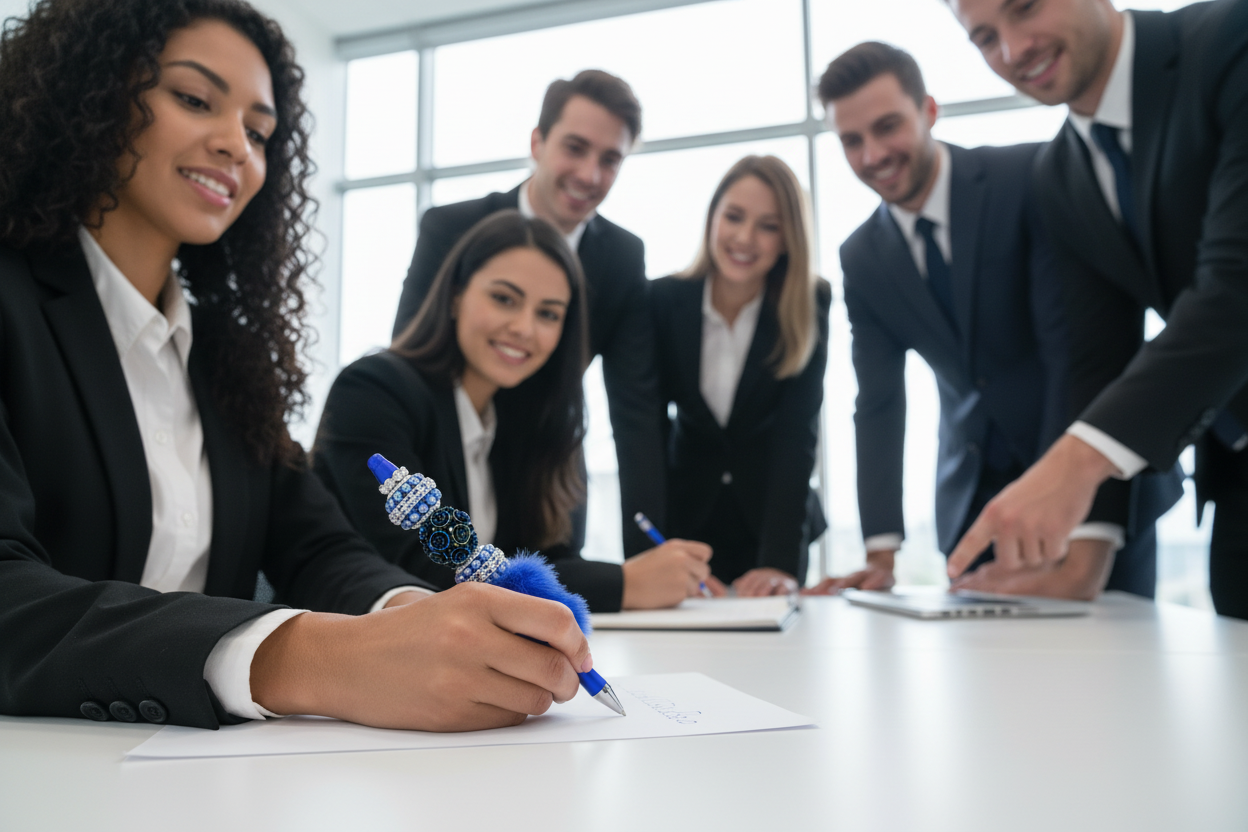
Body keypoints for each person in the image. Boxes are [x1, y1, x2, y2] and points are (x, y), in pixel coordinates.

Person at [0, 0, 594, 733]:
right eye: (194, 99)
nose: (236, 147)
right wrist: (306, 657)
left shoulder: (226, 356)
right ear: (88, 94)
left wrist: (417, 617)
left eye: (259, 133)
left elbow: (315, 544)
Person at [806, 42, 1180, 599]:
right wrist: (882, 552)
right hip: (974, 510)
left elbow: (1078, 350)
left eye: (888, 127)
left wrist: (1084, 533)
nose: (873, 154)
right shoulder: (862, 255)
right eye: (851, 141)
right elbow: (879, 401)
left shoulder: (1029, 176)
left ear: (928, 111)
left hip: (1089, 497)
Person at [943, 0, 1248, 618]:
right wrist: (1086, 554)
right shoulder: (1060, 174)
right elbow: (1098, 359)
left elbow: (1237, 284)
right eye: (984, 38)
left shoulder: (1230, 40)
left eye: (1024, 8)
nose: (1012, 49)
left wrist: (1073, 464)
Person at [313, 210, 712, 611]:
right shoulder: (373, 391)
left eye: (548, 314)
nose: (524, 328)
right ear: (455, 295)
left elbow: (546, 559)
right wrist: (624, 583)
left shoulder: (524, 419)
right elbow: (428, 569)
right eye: (504, 299)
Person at [391, 70, 666, 559]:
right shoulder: (452, 227)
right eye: (575, 148)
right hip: (446, 458)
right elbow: (410, 360)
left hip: (547, 465)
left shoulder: (622, 256)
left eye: (610, 160)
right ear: (538, 142)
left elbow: (636, 410)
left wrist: (644, 558)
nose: (589, 175)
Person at [650, 156, 830, 596]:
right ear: (712, 216)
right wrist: (652, 551)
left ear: (788, 238)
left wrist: (779, 563)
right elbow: (649, 431)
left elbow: (797, 435)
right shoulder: (663, 300)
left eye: (768, 225)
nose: (745, 238)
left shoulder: (809, 301)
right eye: (734, 216)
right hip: (687, 522)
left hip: (775, 521)